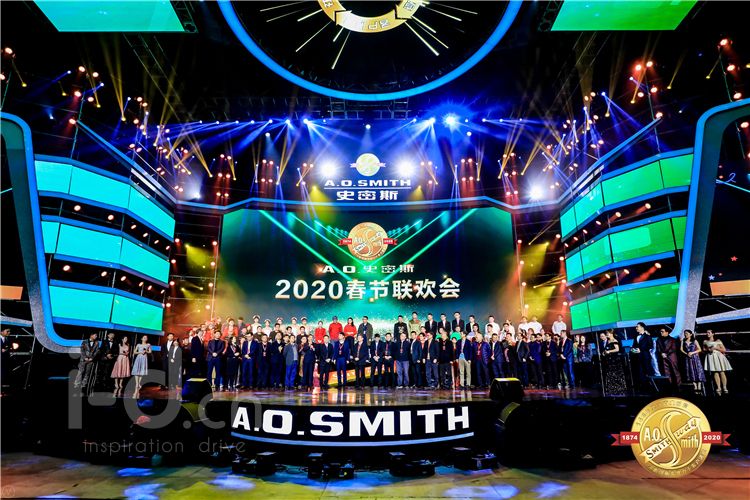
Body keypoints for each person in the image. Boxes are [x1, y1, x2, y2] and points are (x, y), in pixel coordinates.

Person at [703, 330, 732, 395]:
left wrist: (716, 348)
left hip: (718, 356)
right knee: (715, 372)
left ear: (713, 334)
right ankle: (718, 387)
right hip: (711, 356)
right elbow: (704, 349)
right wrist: (708, 349)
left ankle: (724, 387)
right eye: (707, 332)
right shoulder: (705, 341)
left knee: (721, 371)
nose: (707, 334)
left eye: (709, 332)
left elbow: (724, 350)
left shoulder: (718, 341)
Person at [601, 329, 627, 395]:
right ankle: (612, 388)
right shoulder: (608, 341)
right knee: (610, 373)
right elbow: (607, 349)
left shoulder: (614, 340)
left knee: (616, 373)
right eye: (606, 333)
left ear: (611, 333)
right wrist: (605, 352)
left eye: (607, 333)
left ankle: (619, 388)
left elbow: (617, 349)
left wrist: (609, 351)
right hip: (609, 360)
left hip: (615, 360)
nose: (607, 335)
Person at [631, 322, 656, 388]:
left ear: (642, 327)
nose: (636, 328)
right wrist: (633, 349)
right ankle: (643, 386)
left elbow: (650, 346)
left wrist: (641, 350)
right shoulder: (636, 336)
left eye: (637, 327)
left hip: (645, 356)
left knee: (648, 370)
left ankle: (652, 385)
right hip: (638, 357)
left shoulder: (648, 336)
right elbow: (634, 345)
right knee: (640, 372)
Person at [680, 329, 705, 394]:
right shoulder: (683, 341)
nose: (685, 334)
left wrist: (692, 352)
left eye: (687, 333)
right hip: (688, 357)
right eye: (685, 333)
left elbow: (699, 349)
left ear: (691, 334)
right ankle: (694, 385)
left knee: (697, 370)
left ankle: (699, 384)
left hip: (695, 357)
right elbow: (681, 349)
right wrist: (687, 353)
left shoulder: (694, 341)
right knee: (690, 370)